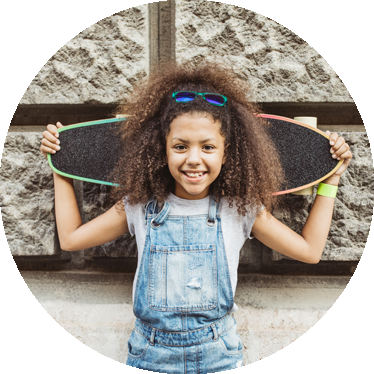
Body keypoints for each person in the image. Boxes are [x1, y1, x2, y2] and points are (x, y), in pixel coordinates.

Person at [40, 62, 352, 373]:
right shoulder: (138, 207)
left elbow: (309, 251)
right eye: (180, 146)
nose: (193, 159)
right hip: (150, 356)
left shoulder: (240, 209)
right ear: (161, 150)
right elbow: (70, 238)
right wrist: (61, 167)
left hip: (218, 355)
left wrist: (332, 180)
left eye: (207, 147)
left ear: (226, 153)